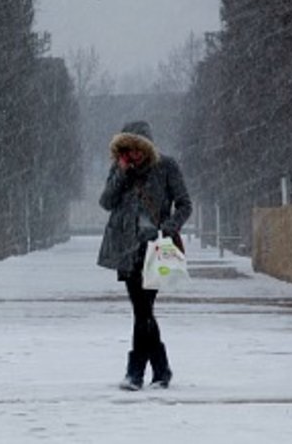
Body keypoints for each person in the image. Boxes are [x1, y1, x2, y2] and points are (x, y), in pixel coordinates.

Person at [97, 120, 191, 390]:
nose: (133, 154)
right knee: (142, 310)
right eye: (128, 149)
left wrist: (168, 227)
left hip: (156, 249)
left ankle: (135, 372)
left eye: (137, 149)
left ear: (147, 148)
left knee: (142, 310)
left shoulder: (167, 166)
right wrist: (122, 174)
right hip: (126, 250)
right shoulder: (120, 169)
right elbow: (106, 202)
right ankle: (161, 370)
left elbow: (185, 204)